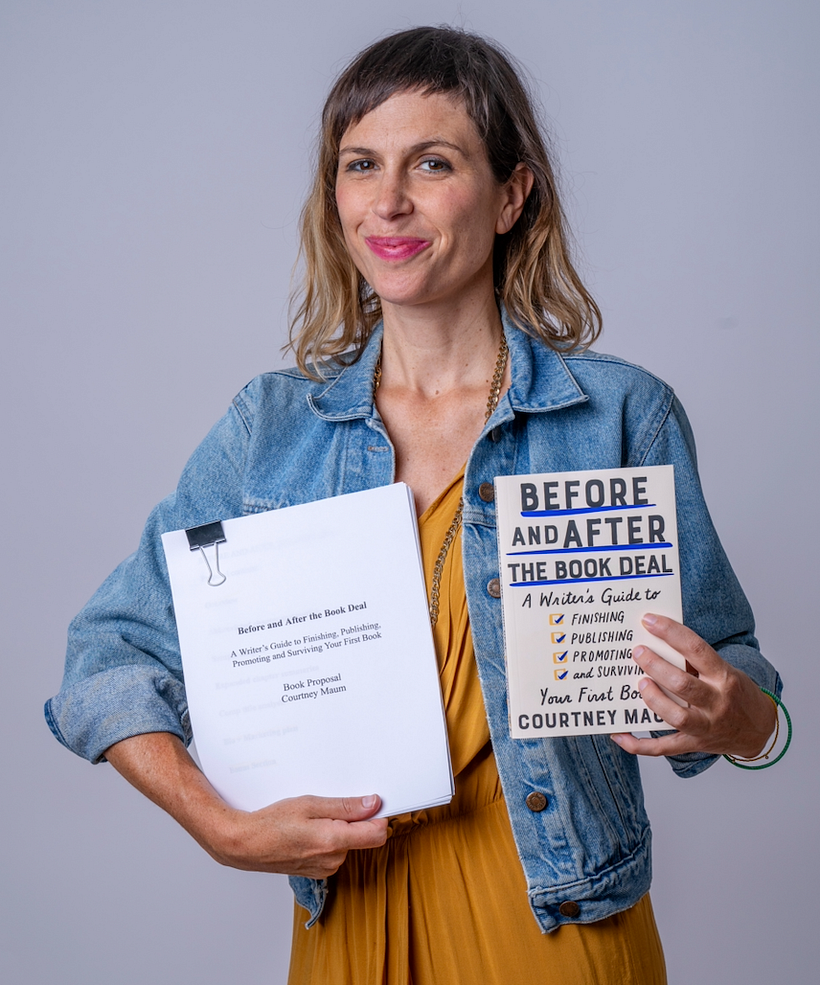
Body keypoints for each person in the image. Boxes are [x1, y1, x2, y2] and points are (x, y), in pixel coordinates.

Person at [45, 26, 782, 985]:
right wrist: (217, 825)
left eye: (431, 162)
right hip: (354, 927)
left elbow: (740, 677)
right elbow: (109, 653)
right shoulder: (270, 431)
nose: (388, 201)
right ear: (335, 197)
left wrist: (740, 723)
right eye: (361, 165)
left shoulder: (620, 414)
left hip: (559, 926)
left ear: (513, 193)